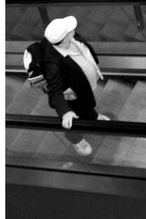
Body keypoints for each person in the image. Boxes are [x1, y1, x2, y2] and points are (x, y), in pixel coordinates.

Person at [40, 15, 110, 156]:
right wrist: (64, 111)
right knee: (74, 116)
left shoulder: (69, 37)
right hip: (72, 94)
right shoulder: (52, 65)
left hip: (83, 85)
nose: (74, 30)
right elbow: (55, 92)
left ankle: (92, 117)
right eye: (70, 30)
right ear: (65, 38)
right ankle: (75, 139)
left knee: (86, 106)